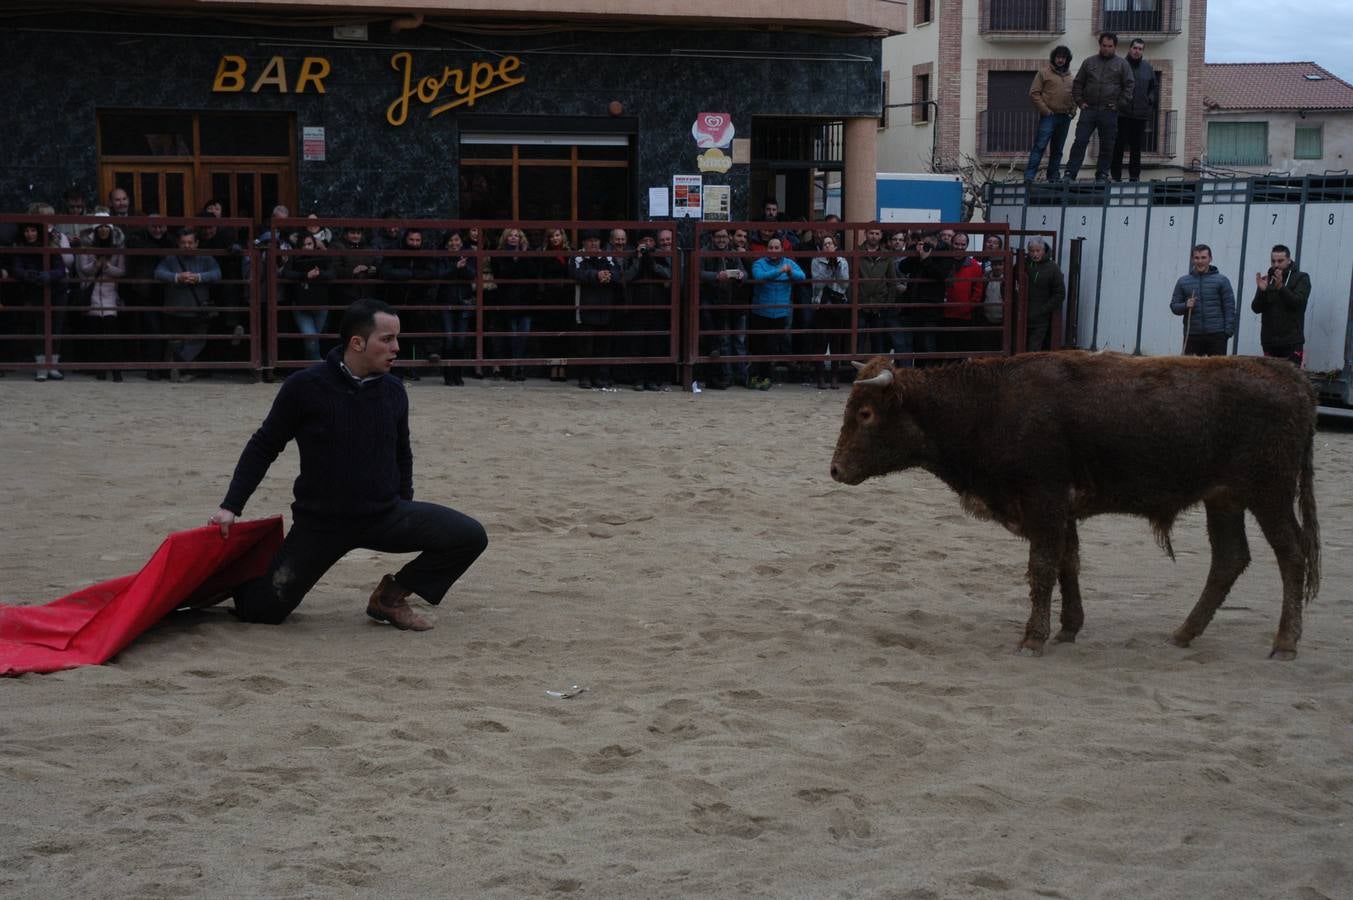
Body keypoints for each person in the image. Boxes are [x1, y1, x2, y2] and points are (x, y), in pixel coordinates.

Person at [208, 298, 488, 630]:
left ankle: (390, 597)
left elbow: (402, 453)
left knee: (469, 536)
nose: (397, 347)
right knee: (262, 612)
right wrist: (231, 506)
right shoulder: (305, 387)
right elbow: (264, 446)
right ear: (357, 343)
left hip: (383, 514)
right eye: (387, 339)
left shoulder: (395, 390)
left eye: (396, 338)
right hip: (321, 524)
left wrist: (405, 502)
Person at [1064, 32, 1134, 183]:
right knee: (1080, 142)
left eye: (1110, 46)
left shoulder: (1123, 64)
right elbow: (1078, 83)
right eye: (1104, 46)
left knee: (1107, 145)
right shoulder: (1089, 62)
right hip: (1088, 110)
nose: (1106, 49)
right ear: (1100, 45)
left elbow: (1129, 86)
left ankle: (1102, 175)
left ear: (1115, 47)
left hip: (1109, 111)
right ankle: (1070, 174)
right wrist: (1080, 101)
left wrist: (1119, 104)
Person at [155, 227, 222, 381]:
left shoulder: (206, 258)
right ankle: (185, 369)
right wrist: (177, 277)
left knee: (198, 339)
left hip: (198, 309)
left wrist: (198, 277)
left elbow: (217, 273)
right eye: (183, 243)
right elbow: (158, 273)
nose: (187, 246)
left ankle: (178, 366)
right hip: (174, 308)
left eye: (190, 243)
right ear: (178, 244)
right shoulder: (170, 259)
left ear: (197, 243)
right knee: (176, 341)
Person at [76, 209, 127, 381]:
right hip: (92, 294)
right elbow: (83, 269)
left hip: (111, 294)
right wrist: (97, 264)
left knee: (113, 335)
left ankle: (116, 370)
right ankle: (100, 369)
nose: (104, 230)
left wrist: (107, 267)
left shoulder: (119, 247)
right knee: (96, 334)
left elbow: (122, 271)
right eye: (101, 227)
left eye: (107, 227)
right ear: (96, 230)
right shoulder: (86, 247)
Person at [748, 237, 804, 390]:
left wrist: (790, 271)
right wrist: (780, 271)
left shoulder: (789, 263)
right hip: (761, 311)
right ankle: (754, 376)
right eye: (771, 247)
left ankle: (766, 377)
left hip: (780, 312)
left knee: (771, 347)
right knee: (757, 346)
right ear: (767, 249)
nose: (773, 250)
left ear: (781, 249)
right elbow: (759, 277)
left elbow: (802, 276)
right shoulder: (759, 263)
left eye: (776, 247)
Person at [570, 230, 622, 389]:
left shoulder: (607, 256)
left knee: (603, 344)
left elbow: (618, 273)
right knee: (585, 345)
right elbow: (576, 273)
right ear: (583, 243)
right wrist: (596, 275)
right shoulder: (577, 257)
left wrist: (608, 275)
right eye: (590, 240)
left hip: (605, 306)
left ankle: (601, 376)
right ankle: (585, 377)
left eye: (596, 240)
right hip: (585, 307)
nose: (594, 243)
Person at [697, 228, 748, 390]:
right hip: (709, 300)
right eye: (718, 236)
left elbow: (745, 273)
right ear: (712, 237)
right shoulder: (703, 252)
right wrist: (716, 276)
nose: (721, 240)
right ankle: (721, 376)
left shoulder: (732, 253)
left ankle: (733, 375)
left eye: (724, 237)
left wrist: (740, 275)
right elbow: (698, 273)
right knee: (718, 340)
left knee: (729, 339)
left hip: (729, 301)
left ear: (729, 238)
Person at [1170, 243, 1235, 356]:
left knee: (1217, 372)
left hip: (1217, 335)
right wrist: (1186, 305)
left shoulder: (1222, 281)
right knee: (1191, 371)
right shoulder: (1183, 281)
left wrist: (1226, 333)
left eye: (1203, 257)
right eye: (1197, 258)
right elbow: (1174, 306)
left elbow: (1229, 308)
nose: (1200, 261)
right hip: (1192, 335)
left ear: (1210, 258)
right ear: (1192, 260)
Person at [1250, 244, 1311, 366]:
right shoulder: (1267, 279)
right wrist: (1262, 291)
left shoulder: (1301, 278)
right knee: (1271, 381)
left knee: (1292, 381)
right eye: (1273, 261)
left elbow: (1297, 302)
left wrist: (1281, 288)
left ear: (1289, 260)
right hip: (1269, 341)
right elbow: (1256, 308)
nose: (1276, 264)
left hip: (1291, 341)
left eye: (1280, 261)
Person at [1025, 45, 1077, 184]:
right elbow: (1034, 93)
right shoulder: (1043, 73)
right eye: (1058, 57)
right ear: (1054, 58)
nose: (1061, 60)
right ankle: (1029, 177)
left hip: (1064, 117)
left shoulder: (1071, 77)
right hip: (1049, 117)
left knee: (1058, 149)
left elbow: (1075, 96)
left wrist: (1073, 111)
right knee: (1040, 146)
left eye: (1063, 58)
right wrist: (1045, 110)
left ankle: (1053, 177)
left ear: (1067, 60)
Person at [279, 233, 334, 362]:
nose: (306, 247)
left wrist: (318, 274)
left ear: (314, 245)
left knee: (314, 339)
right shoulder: (294, 258)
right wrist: (305, 275)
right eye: (303, 244)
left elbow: (332, 273)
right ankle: (318, 367)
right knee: (311, 339)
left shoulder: (322, 258)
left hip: (320, 304)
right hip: (301, 305)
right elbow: (286, 273)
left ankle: (310, 369)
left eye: (309, 244)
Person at [1109, 39, 1158, 183]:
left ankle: (1134, 176)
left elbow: (1153, 88)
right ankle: (1115, 176)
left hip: (1140, 115)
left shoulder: (1148, 68)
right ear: (1130, 49)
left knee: (1136, 148)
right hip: (1121, 114)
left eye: (1140, 49)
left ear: (1143, 51)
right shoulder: (1120, 66)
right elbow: (1112, 87)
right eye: (1135, 48)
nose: (1137, 51)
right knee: (1118, 146)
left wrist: (1150, 100)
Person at [437, 230, 477, 385]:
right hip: (446, 302)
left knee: (461, 340)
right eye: (451, 241)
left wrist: (463, 267)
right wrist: (455, 267)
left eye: (457, 240)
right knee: (449, 338)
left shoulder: (468, 256)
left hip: (464, 303)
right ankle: (448, 375)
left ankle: (458, 375)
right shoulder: (442, 257)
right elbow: (440, 274)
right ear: (447, 243)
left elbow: (472, 274)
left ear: (461, 242)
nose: (454, 244)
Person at [810, 234, 849, 389]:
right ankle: (820, 377)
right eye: (825, 244)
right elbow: (818, 284)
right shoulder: (816, 261)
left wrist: (837, 266)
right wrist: (828, 268)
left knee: (836, 341)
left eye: (830, 243)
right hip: (821, 303)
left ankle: (834, 377)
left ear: (835, 246)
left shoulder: (842, 261)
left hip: (837, 304)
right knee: (820, 340)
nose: (827, 246)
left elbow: (845, 283)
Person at [942, 232, 985, 354]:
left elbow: (978, 289)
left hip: (964, 315)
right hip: (944, 314)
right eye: (956, 244)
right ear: (952, 243)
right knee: (945, 348)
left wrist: (969, 306)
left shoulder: (974, 266)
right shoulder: (943, 262)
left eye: (963, 244)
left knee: (962, 348)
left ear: (967, 246)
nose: (959, 247)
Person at [1023, 238, 1066, 352]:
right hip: (1021, 316)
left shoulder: (1052, 268)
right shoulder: (1023, 264)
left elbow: (1060, 293)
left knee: (1033, 349)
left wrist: (1043, 309)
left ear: (1044, 250)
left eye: (1038, 251)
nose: (1035, 254)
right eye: (1032, 251)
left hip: (1040, 319)